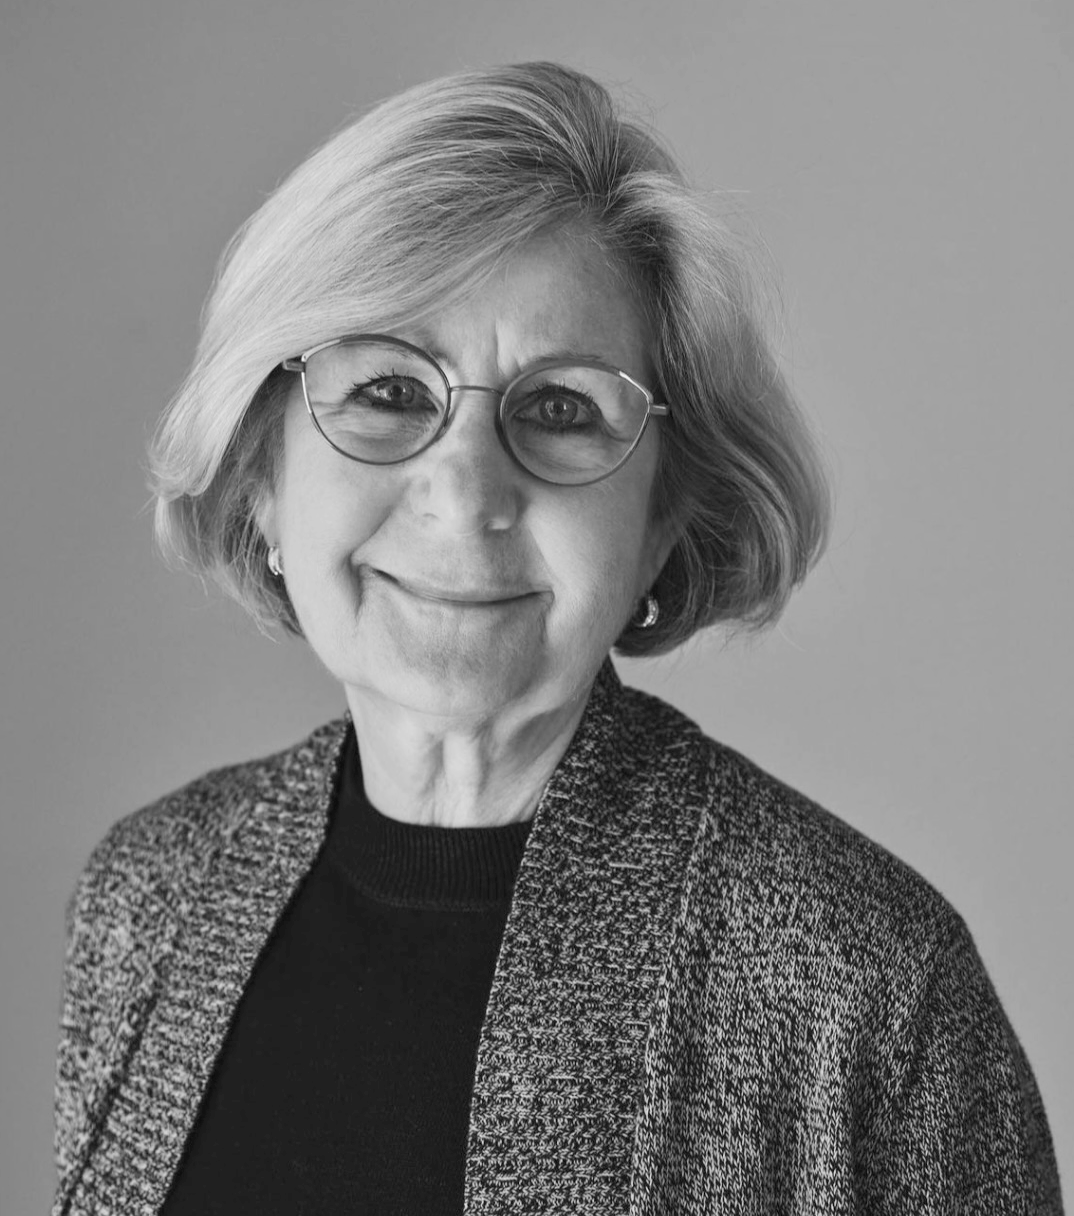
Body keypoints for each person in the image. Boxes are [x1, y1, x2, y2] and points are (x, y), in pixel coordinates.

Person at [52, 61, 1062, 1216]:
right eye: (387, 390)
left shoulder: (868, 985)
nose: (464, 494)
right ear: (261, 474)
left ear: (659, 520)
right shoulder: (148, 895)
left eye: (563, 408)